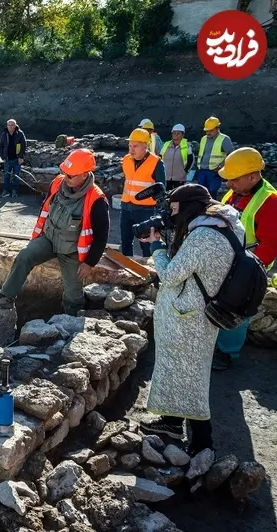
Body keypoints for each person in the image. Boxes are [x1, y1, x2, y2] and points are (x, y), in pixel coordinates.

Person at [139, 183, 245, 455]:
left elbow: (171, 275)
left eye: (174, 210)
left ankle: (202, 443)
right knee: (181, 370)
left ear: (188, 208)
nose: (172, 216)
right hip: (199, 312)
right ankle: (172, 423)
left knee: (191, 377)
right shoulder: (228, 225)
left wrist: (157, 248)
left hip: (187, 317)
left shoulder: (202, 237)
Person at [0, 149, 109, 315]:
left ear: (85, 175)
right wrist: (37, 239)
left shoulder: (96, 200)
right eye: (65, 173)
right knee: (24, 256)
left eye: (71, 175)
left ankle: (72, 319)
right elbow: (46, 208)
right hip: (49, 240)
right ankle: (5, 297)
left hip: (72, 251)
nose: (66, 177)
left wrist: (90, 262)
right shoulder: (57, 183)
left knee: (73, 293)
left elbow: (101, 236)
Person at [212, 147, 277, 371]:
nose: (228, 184)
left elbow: (270, 244)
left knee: (237, 307)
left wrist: (248, 271)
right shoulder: (236, 192)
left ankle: (227, 353)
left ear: (252, 176)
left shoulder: (269, 201)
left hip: (248, 269)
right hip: (227, 262)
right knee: (220, 303)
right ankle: (218, 343)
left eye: (233, 179)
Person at [120, 128, 166, 257]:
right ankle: (126, 268)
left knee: (146, 244)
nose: (131, 149)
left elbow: (161, 189)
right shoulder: (126, 160)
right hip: (126, 207)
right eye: (130, 145)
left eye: (135, 146)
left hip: (146, 210)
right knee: (126, 241)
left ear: (145, 145)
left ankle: (150, 270)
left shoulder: (156, 162)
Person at [196, 116, 234, 200]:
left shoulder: (224, 139)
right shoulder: (203, 139)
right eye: (207, 131)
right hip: (202, 170)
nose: (208, 133)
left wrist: (221, 166)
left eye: (211, 130)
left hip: (214, 172)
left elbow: (231, 154)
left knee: (212, 193)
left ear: (217, 129)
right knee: (200, 193)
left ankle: (211, 210)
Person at [160, 124, 195, 190]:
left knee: (178, 196)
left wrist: (185, 171)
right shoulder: (166, 144)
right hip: (166, 176)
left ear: (183, 135)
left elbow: (191, 159)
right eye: (174, 133)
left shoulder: (187, 145)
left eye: (178, 133)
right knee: (166, 196)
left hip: (180, 177)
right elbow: (160, 157)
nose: (176, 135)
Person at [0, 119, 27, 199]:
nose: (10, 127)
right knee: (6, 175)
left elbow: (24, 145)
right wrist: (3, 157)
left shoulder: (20, 133)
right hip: (7, 159)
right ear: (7, 126)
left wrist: (21, 157)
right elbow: (1, 146)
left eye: (12, 125)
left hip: (17, 159)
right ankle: (6, 191)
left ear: (15, 125)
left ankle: (15, 191)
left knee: (16, 175)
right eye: (9, 125)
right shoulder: (4, 134)